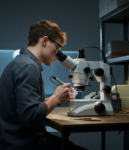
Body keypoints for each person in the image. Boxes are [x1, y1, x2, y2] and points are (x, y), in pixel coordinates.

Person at [0, 20, 87, 150]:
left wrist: (57, 100)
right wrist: (56, 97)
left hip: (12, 140)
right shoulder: (28, 67)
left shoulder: (20, 62)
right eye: (57, 48)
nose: (58, 55)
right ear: (45, 41)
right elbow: (30, 116)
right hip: (25, 144)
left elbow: (26, 106)